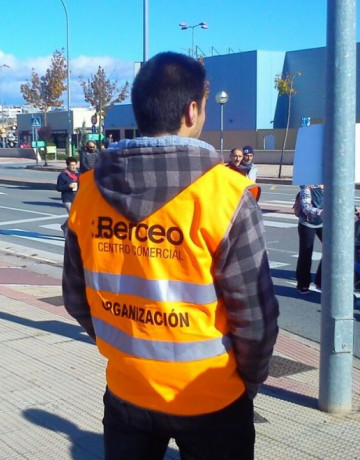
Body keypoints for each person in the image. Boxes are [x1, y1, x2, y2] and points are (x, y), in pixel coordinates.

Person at [62, 52, 279, 460]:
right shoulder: (225, 196)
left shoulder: (88, 193)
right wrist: (247, 382)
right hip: (212, 395)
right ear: (192, 109)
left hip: (128, 391)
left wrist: (127, 354)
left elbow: (76, 299)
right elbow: (257, 319)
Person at [296, 184, 324, 294]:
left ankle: (321, 280)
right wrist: (320, 212)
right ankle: (303, 283)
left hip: (324, 223)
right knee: (306, 253)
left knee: (331, 250)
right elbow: (306, 207)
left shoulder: (332, 183)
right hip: (307, 223)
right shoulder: (307, 186)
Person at [56, 157, 79, 233]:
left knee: (76, 215)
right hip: (67, 198)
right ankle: (69, 230)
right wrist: (68, 186)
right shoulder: (62, 175)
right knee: (73, 215)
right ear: (68, 166)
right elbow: (58, 188)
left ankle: (64, 226)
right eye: (72, 165)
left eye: (75, 165)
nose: (74, 167)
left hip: (76, 197)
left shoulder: (77, 174)